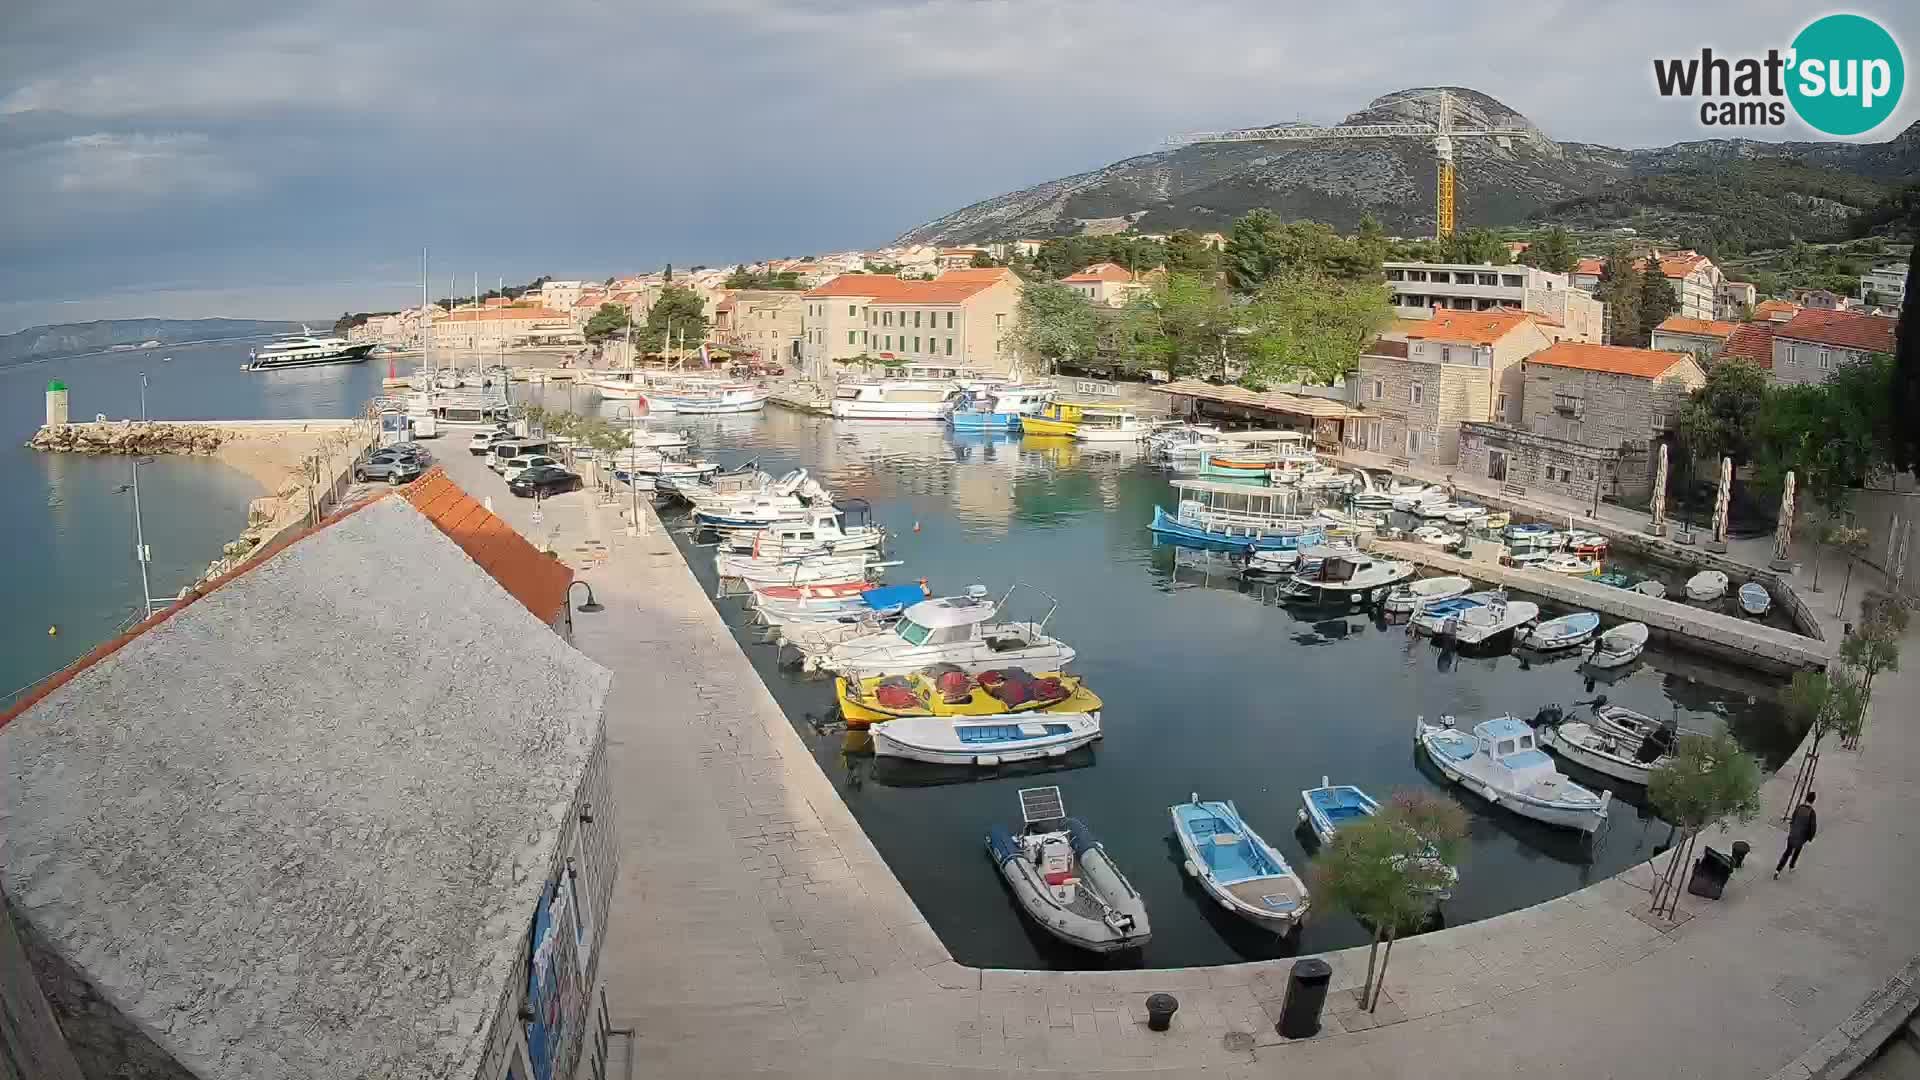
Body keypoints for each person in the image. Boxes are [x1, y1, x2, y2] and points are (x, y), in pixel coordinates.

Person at [1775, 791, 1817, 878]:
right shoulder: (1811, 812)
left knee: (1787, 852)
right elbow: (1812, 827)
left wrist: (1792, 831)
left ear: (1806, 798)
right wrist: (1810, 838)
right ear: (1813, 801)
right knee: (1797, 851)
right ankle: (1791, 866)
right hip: (1801, 837)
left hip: (1792, 835)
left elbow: (1793, 820)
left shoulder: (1799, 807)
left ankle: (1778, 870)